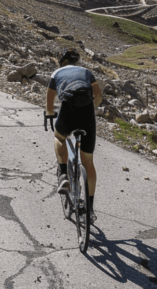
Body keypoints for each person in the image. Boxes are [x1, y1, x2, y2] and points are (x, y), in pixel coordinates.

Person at [46, 47, 102, 223]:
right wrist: (91, 111)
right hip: (87, 113)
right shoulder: (86, 72)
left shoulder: (57, 73)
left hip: (68, 109)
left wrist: (49, 114)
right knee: (88, 161)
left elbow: (50, 98)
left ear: (62, 61)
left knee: (59, 137)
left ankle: (63, 175)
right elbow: (98, 95)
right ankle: (90, 210)